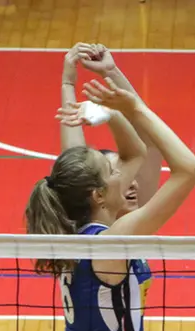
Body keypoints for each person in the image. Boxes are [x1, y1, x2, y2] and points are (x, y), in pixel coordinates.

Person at [27, 76, 195, 331]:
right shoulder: (112, 242)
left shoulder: (73, 225)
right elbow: (190, 169)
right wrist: (133, 108)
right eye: (112, 171)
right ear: (98, 194)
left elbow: (84, 162)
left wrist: (73, 86)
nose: (123, 173)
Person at [60, 43, 163, 214]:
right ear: (97, 194)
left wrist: (111, 72)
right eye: (119, 173)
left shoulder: (140, 211)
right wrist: (67, 84)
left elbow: (151, 139)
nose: (133, 182)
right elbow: (73, 159)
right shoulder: (85, 224)